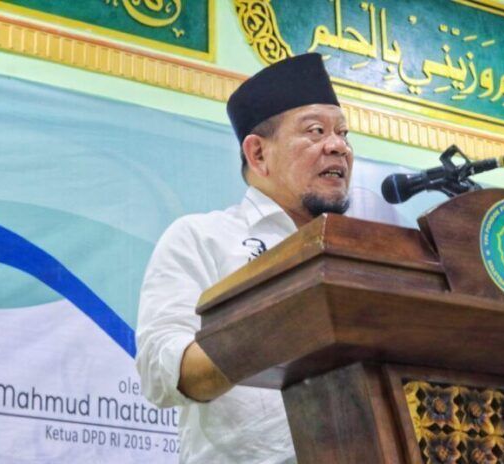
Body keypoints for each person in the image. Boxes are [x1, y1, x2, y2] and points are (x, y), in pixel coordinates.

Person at [135, 53, 353, 463]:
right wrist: (289, 316)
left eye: (343, 133)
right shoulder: (202, 238)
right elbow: (162, 373)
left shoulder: (360, 254)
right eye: (316, 131)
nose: (338, 146)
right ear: (258, 154)